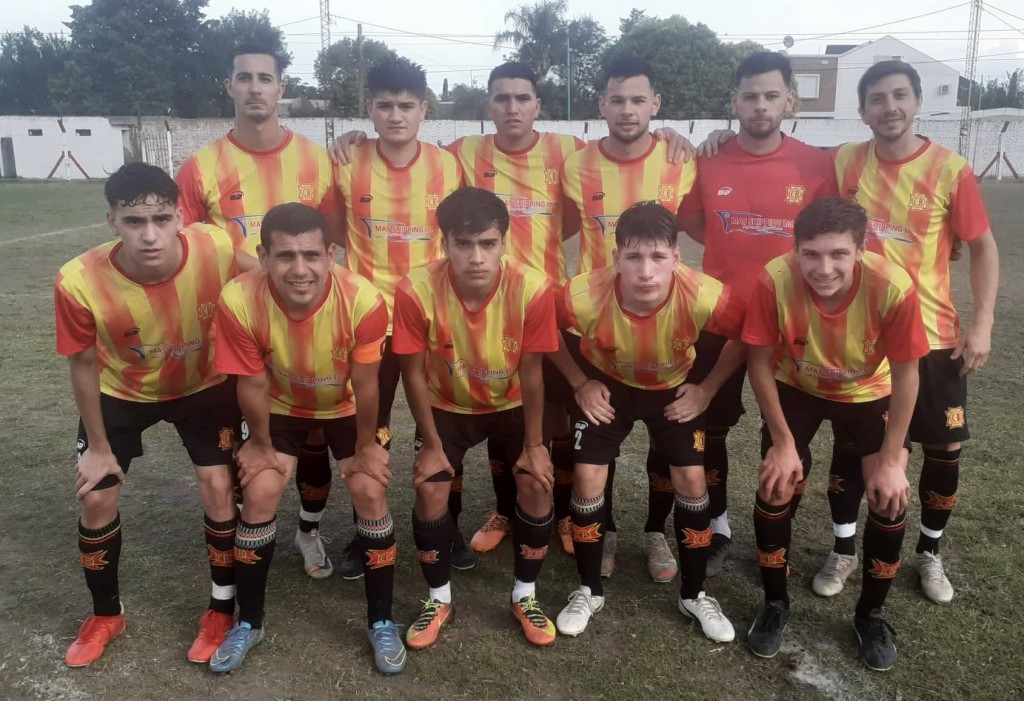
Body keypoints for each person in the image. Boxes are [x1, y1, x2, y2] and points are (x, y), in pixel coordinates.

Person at [825, 61, 999, 604]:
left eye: (900, 95)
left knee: (943, 446)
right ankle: (843, 549)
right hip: (864, 337)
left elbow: (982, 247)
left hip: (932, 335)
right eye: (877, 98)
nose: (890, 107)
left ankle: (929, 551)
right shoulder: (845, 161)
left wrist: (982, 323)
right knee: (858, 444)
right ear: (863, 111)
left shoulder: (950, 169)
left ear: (918, 102)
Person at [55, 162, 240, 667]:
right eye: (134, 222)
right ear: (112, 222)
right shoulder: (78, 280)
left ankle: (221, 608)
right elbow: (83, 363)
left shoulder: (217, 246)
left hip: (203, 387)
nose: (150, 235)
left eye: (161, 219)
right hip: (121, 392)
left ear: (180, 216)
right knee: (96, 497)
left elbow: (266, 281)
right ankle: (105, 614)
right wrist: (97, 448)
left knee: (218, 487)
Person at [210, 203, 404, 674]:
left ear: (330, 255)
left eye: (311, 255)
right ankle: (249, 623)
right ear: (264, 257)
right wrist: (259, 444)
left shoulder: (363, 299)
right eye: (286, 256)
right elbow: (251, 382)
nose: (300, 269)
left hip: (346, 407)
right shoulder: (238, 298)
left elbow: (367, 385)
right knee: (260, 490)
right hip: (281, 406)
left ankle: (381, 621)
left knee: (369, 489)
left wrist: (366, 448)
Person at [175, 41, 342, 584]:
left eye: (264, 78)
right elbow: (188, 246)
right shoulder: (200, 168)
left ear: (280, 89)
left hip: (306, 325)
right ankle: (244, 546)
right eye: (243, 77)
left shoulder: (317, 161)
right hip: (235, 327)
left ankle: (309, 531)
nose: (254, 87)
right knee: (243, 441)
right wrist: (258, 273)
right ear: (229, 86)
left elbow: (331, 241)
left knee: (312, 436)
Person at [742, 197, 929, 671]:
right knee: (776, 484)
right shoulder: (773, 279)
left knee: (889, 498)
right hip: (797, 386)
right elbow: (758, 363)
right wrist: (783, 443)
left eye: (838, 254)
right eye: (811, 254)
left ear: (861, 250)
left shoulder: (893, 286)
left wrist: (893, 460)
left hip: (868, 392)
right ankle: (774, 603)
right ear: (796, 250)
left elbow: (907, 374)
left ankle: (870, 615)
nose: (824, 268)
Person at [550, 202, 744, 642]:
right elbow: (544, 332)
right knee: (587, 477)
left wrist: (706, 389)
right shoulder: (581, 294)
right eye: (634, 257)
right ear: (616, 258)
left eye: (658, 257)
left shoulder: (706, 293)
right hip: (610, 386)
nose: (646, 271)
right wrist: (580, 383)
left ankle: (694, 594)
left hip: (671, 389)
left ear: (676, 257)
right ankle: (589, 590)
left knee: (692, 479)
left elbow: (746, 336)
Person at [677, 51, 838, 577]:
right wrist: (735, 251)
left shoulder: (816, 165)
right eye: (750, 96)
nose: (761, 106)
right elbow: (697, 223)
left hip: (790, 326)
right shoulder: (709, 160)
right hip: (718, 320)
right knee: (710, 429)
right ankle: (718, 526)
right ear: (735, 101)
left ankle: (779, 535)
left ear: (790, 99)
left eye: (772, 95)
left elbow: (829, 236)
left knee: (786, 434)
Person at [392, 187, 560, 648]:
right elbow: (411, 373)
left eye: (488, 243)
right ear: (444, 242)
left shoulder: (533, 288)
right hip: (447, 407)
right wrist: (431, 445)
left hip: (512, 406)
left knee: (535, 482)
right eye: (463, 244)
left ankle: (525, 595)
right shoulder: (414, 290)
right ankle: (438, 599)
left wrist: (535, 446)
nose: (476, 257)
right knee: (430, 489)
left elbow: (532, 373)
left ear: (504, 242)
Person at [559, 55, 697, 582]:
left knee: (668, 436)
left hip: (664, 321)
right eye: (616, 99)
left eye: (639, 99)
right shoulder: (576, 165)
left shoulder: (682, 159)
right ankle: (608, 528)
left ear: (655, 103)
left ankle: (656, 531)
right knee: (600, 436)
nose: (627, 109)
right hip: (595, 328)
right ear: (601, 104)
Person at [332, 57, 467, 574]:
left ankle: (447, 527)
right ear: (369, 108)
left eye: (406, 105)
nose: (395, 115)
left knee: (443, 428)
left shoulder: (448, 166)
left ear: (423, 110)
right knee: (370, 429)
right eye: (385, 105)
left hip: (432, 320)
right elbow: (330, 232)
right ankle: (367, 530)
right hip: (368, 322)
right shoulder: (346, 161)